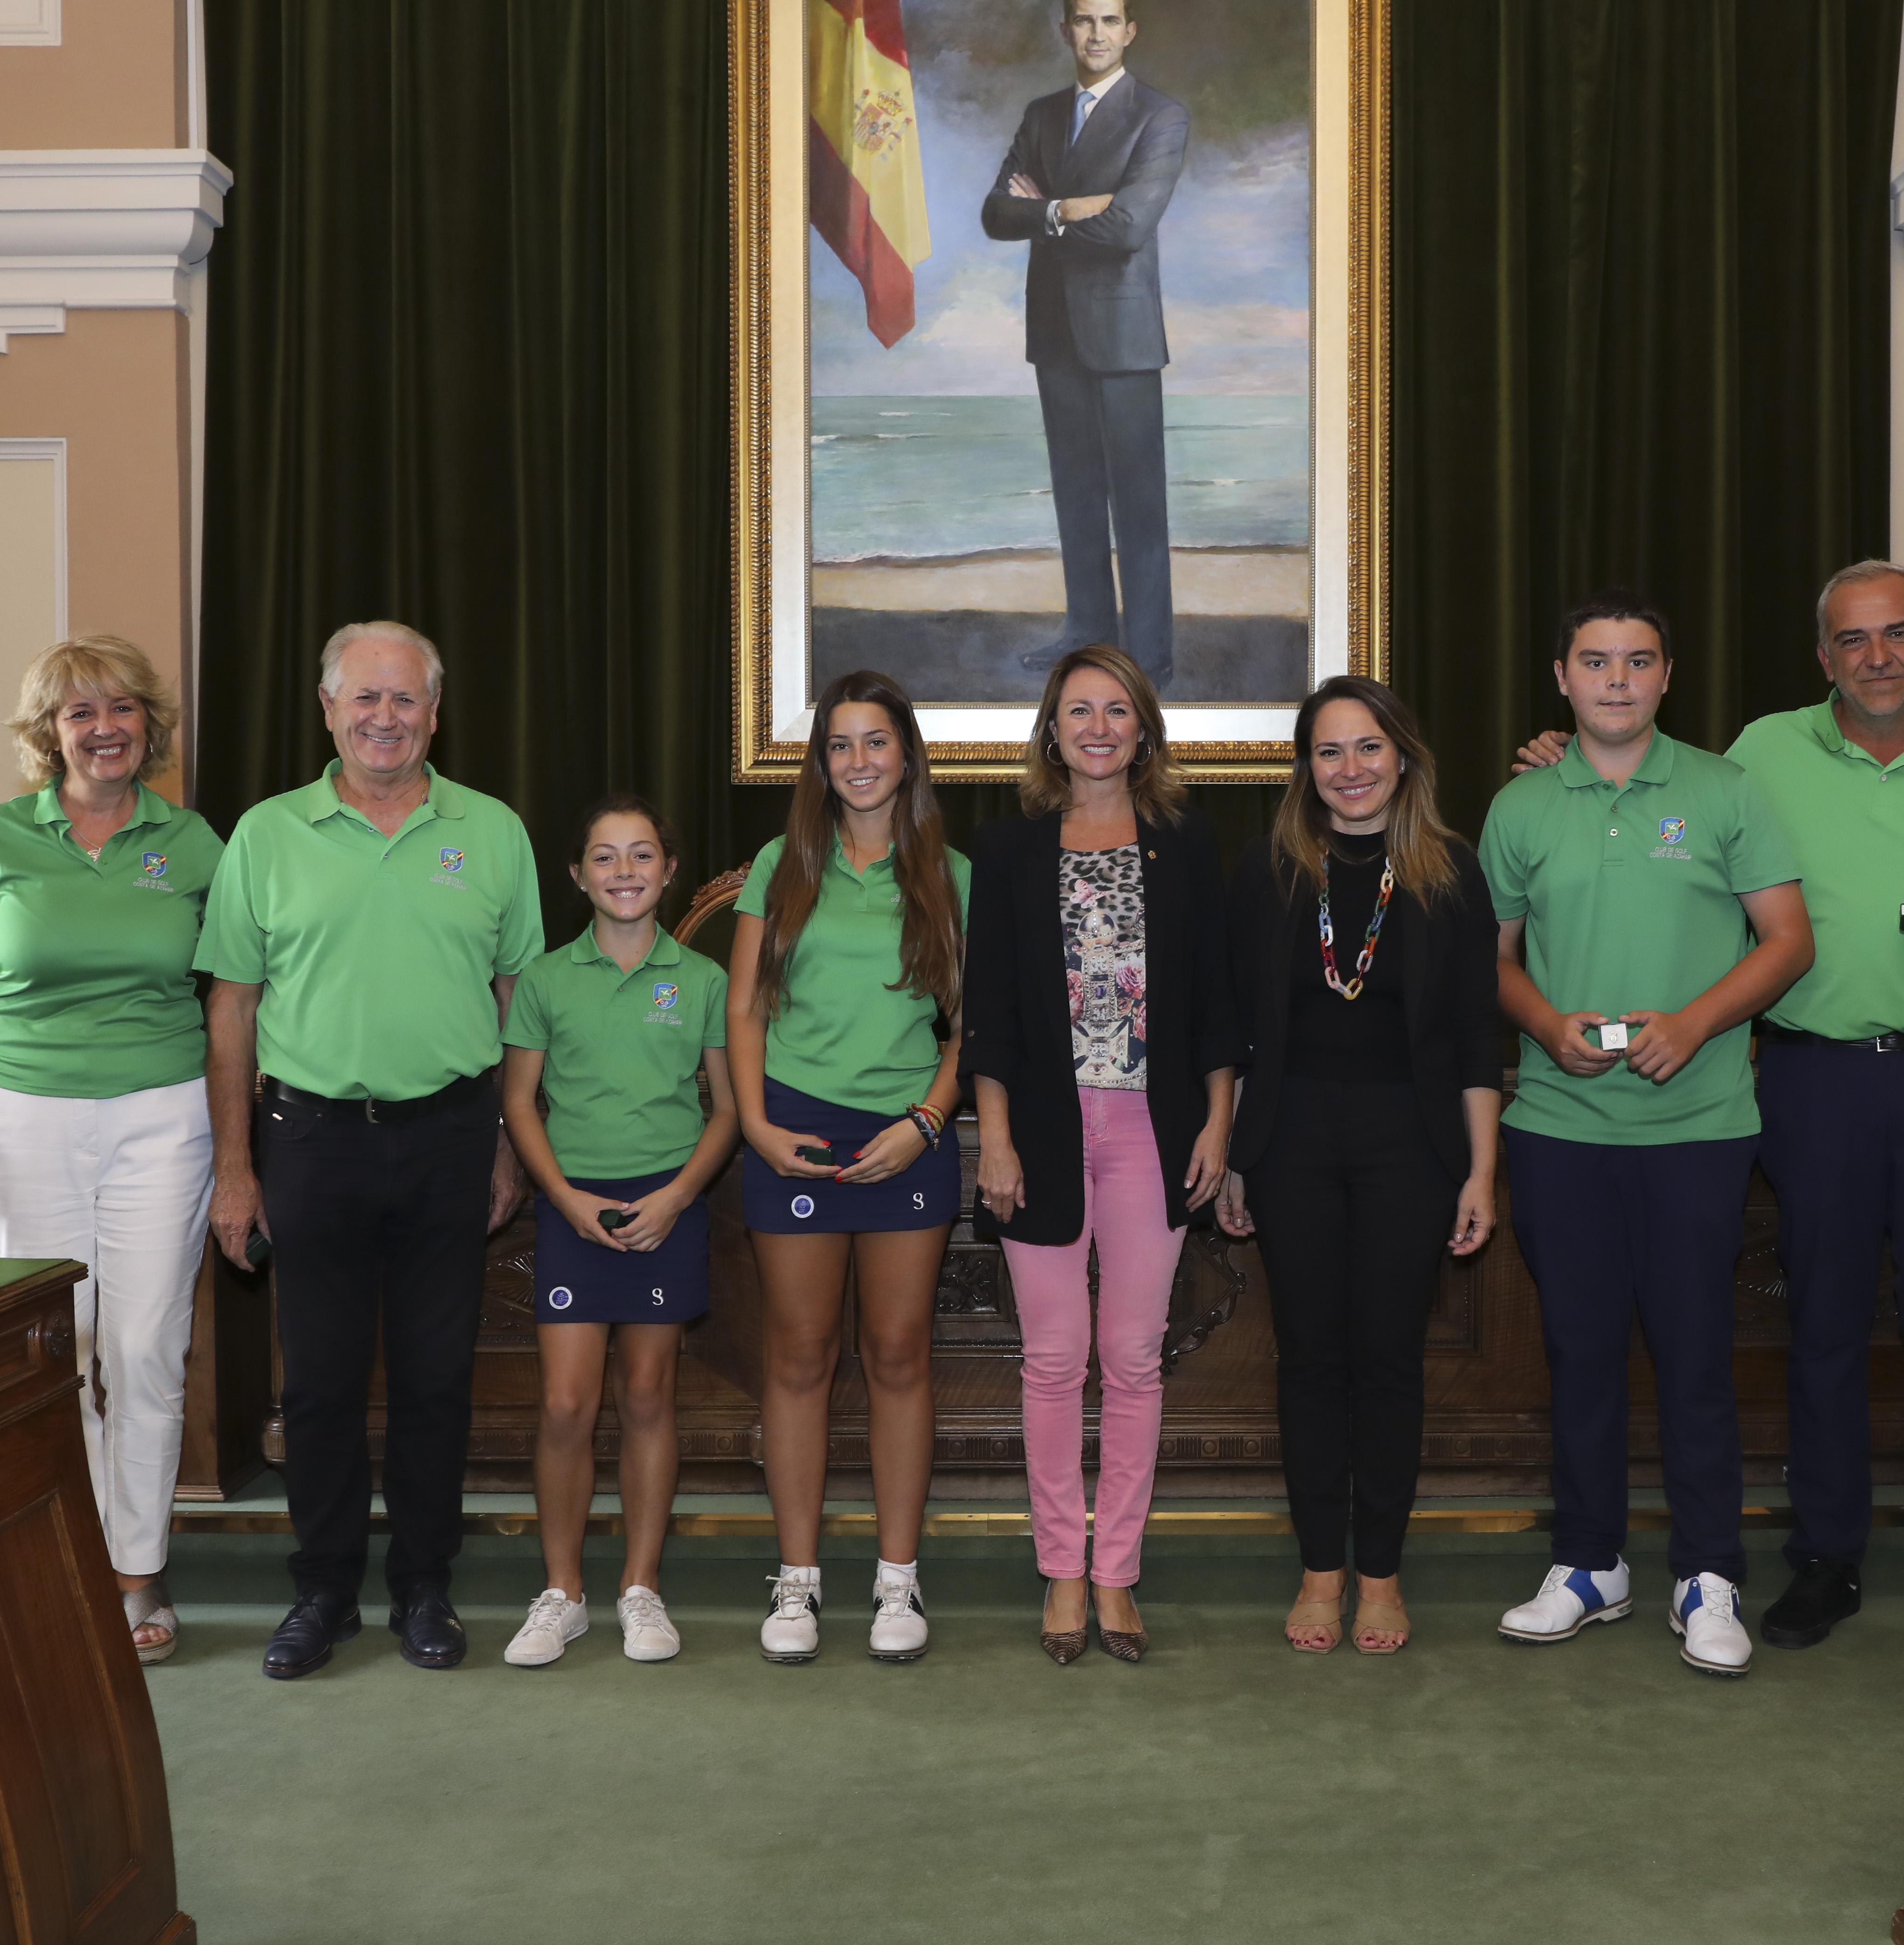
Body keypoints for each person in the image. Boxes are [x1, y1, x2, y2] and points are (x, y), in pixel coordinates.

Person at [1510, 562, 1904, 1654]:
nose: (1876, 656)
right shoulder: (1761, 751)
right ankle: (1825, 1557)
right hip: (1810, 1077)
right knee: (1822, 1324)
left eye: (1896, 635)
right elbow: (1644, 787)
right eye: (1853, 641)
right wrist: (1552, 759)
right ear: (1823, 657)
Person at [196, 620, 544, 1679]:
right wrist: (235, 1164)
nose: (385, 717)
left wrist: (509, 1143)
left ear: (435, 714)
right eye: (365, 699)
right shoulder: (265, 834)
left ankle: (425, 1587)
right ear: (328, 708)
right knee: (320, 1387)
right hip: (310, 1142)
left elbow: (518, 998)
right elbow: (231, 1011)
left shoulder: (488, 831)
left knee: (439, 1377)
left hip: (450, 1136)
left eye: (406, 701)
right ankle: (325, 1590)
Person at [1484, 594, 1812, 1679]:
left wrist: (1694, 1022)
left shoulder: (1727, 790)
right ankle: (1588, 1565)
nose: (1616, 679)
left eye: (1637, 661)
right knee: (1579, 1353)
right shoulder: (1522, 806)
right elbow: (1493, 959)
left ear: (1668, 675)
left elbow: (1786, 941)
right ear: (1562, 677)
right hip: (1558, 1124)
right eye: (1594, 661)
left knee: (1694, 1359)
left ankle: (1707, 1573)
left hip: (1699, 1125)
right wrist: (1543, 1023)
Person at [0, 635, 222, 1667]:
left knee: (143, 1346)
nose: (104, 728)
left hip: (163, 1117)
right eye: (80, 712)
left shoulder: (195, 842)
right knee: (59, 1347)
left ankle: (136, 1571)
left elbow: (233, 992)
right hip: (20, 1117)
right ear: (50, 733)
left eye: (122, 708)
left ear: (149, 725)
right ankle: (64, 1560)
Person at [1217, 676, 1500, 1656]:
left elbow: (1475, 1041)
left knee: (1387, 1363)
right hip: (1292, 1145)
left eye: (1368, 748)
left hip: (1410, 1150)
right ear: (1306, 768)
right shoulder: (1265, 870)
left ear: (1404, 756)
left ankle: (1378, 1573)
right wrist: (1237, 1158)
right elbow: (1239, 1036)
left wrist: (1478, 1172)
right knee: (1308, 1361)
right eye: (1329, 752)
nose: (1350, 770)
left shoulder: (1449, 871)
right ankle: (1318, 1570)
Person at [965, 644, 1236, 1665]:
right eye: (1077, 710)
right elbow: (985, 1011)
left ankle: (1116, 1572)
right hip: (1037, 1131)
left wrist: (1216, 1123)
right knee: (1051, 1360)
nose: (1097, 727)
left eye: (1115, 710)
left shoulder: (1186, 841)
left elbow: (1214, 1002)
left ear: (1142, 729)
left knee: (1129, 1359)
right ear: (1051, 730)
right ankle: (1060, 1572)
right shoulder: (1007, 850)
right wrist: (992, 1138)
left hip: (1152, 1130)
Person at [729, 670, 971, 1663]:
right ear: (819, 762)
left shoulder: (950, 872)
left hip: (906, 1131)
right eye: (840, 744)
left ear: (907, 756)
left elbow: (973, 1028)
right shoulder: (778, 864)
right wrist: (754, 1124)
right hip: (793, 1130)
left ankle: (897, 1582)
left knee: (900, 1354)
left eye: (877, 742)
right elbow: (743, 1008)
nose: (860, 761)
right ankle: (797, 1583)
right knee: (797, 1357)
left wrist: (926, 1118)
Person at [497, 796, 737, 1669]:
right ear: (578, 875)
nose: (625, 872)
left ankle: (642, 1587)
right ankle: (562, 1592)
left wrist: (675, 1197)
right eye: (605, 857)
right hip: (573, 1204)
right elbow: (520, 1101)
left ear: (670, 870)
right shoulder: (548, 978)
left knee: (646, 1396)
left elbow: (729, 1109)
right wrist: (561, 1196)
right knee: (566, 1401)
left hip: (665, 1204)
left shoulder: (703, 979)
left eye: (642, 855)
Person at [979, 1, 1189, 685]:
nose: (1096, 34)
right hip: (1056, 334)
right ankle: (1089, 630)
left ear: (1129, 32)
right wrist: (1069, 207)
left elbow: (1130, 228)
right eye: (1083, 20)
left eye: (1109, 21)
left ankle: (1149, 652)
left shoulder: (1160, 115)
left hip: (1124, 337)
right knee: (1076, 493)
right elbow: (995, 214)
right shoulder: (1042, 115)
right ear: (1065, 30)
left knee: (1137, 501)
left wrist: (1042, 211)